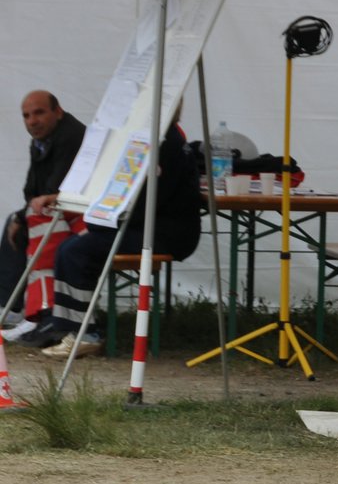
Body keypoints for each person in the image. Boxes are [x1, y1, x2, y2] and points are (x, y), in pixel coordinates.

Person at [19, 121, 202, 358]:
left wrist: (101, 222)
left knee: (76, 251)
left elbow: (149, 202)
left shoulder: (166, 144)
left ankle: (84, 334)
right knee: (71, 248)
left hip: (166, 234)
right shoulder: (163, 138)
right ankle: (71, 327)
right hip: (155, 227)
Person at [0, 91, 86, 332]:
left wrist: (23, 214)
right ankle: (15, 305)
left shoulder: (70, 136)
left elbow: (55, 189)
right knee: (17, 222)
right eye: (26, 116)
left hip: (76, 216)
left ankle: (29, 309)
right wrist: (24, 212)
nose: (32, 121)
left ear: (57, 112)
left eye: (39, 113)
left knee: (22, 223)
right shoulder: (41, 140)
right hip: (56, 210)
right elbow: (31, 189)